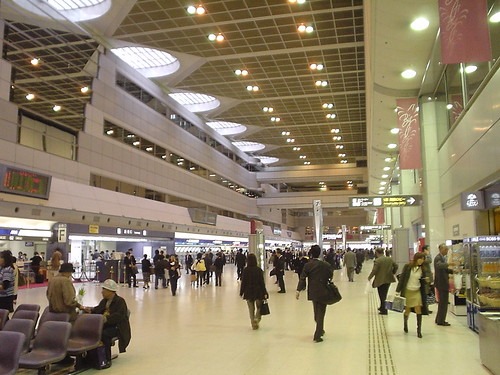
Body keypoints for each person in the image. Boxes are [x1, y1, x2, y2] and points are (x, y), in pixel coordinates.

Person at [85, 279, 131, 368]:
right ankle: (91, 357)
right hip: (106, 325)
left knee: (104, 334)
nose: (102, 292)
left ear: (111, 291)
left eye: (104, 290)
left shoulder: (120, 301)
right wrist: (90, 310)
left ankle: (107, 358)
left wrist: (106, 319)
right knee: (91, 332)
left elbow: (119, 316)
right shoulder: (104, 301)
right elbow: (98, 309)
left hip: (117, 327)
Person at [296, 245, 333, 343]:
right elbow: (330, 275)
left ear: (311, 253)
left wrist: (298, 290)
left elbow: (302, 278)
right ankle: (318, 334)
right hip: (323, 290)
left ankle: (320, 329)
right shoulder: (326, 265)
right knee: (321, 312)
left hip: (313, 291)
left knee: (316, 312)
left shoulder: (308, 265)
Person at [396, 253, 430, 338]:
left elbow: (424, 280)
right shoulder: (408, 267)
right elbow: (402, 278)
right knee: (407, 309)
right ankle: (405, 323)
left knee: (418, 309)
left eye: (423, 259)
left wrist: (426, 280)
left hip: (417, 291)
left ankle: (419, 331)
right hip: (408, 291)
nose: (421, 261)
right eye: (420, 259)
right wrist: (398, 290)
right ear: (416, 259)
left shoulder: (422, 269)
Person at [240, 253, 268, 330]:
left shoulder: (245, 270)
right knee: (259, 307)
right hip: (258, 291)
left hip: (248, 291)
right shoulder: (259, 270)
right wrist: (265, 292)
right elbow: (262, 282)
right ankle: (256, 319)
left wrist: (241, 292)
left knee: (251, 309)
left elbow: (244, 282)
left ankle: (252, 321)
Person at [368, 248, 398, 315]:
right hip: (388, 279)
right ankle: (382, 307)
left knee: (382, 295)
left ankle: (384, 310)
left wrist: (370, 277)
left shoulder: (377, 260)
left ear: (377, 253)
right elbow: (396, 266)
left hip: (380, 280)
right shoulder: (389, 259)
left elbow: (374, 270)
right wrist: (393, 272)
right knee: (384, 294)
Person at [434, 243, 454, 326]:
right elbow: (439, 266)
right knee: (443, 302)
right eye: (445, 249)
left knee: (442, 302)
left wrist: (452, 271)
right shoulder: (438, 258)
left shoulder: (442, 258)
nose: (447, 251)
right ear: (441, 249)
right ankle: (441, 320)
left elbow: (444, 269)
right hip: (441, 283)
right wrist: (449, 264)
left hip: (442, 282)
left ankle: (439, 319)